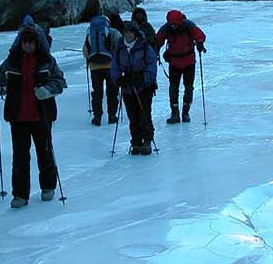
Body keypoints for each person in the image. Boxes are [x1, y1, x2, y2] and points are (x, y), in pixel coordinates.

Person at [0, 16, 66, 208]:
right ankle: (20, 194)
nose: (27, 44)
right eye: (24, 41)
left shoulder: (47, 61)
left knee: (44, 151)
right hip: (18, 116)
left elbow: (60, 81)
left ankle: (48, 186)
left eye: (31, 41)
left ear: (36, 42)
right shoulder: (11, 62)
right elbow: (1, 80)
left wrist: (47, 91)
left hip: (41, 114)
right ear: (20, 42)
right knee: (19, 156)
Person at [111, 21, 158, 155]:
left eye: (131, 32)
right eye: (126, 32)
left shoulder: (144, 47)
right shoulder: (119, 47)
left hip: (144, 87)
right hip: (128, 87)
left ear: (135, 33)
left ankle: (147, 140)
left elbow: (151, 65)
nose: (128, 35)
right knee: (133, 116)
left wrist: (143, 78)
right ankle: (136, 141)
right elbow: (114, 66)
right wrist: (118, 79)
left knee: (144, 113)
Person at [155, 9, 206, 124]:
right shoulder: (167, 28)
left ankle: (184, 112)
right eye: (171, 24)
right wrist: (154, 49)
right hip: (175, 62)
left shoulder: (187, 26)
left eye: (175, 24)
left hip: (187, 62)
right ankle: (176, 113)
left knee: (187, 87)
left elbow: (200, 35)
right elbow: (157, 41)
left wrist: (200, 42)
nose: (173, 26)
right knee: (174, 88)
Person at [83, 14, 122, 126]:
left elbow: (85, 52)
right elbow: (120, 47)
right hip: (111, 66)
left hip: (95, 67)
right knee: (112, 92)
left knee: (97, 92)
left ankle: (97, 117)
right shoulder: (113, 32)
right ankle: (112, 116)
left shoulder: (90, 33)